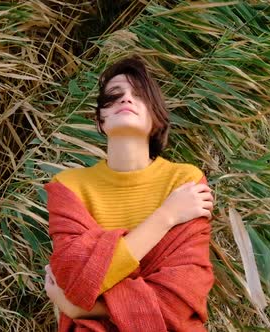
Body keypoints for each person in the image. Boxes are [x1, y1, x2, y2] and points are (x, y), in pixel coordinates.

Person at [43, 54, 215, 330]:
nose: (125, 98)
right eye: (114, 94)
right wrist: (167, 215)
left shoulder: (184, 182)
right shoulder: (68, 186)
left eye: (138, 94)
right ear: (100, 120)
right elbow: (75, 279)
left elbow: (181, 298)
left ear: (157, 119)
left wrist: (82, 308)